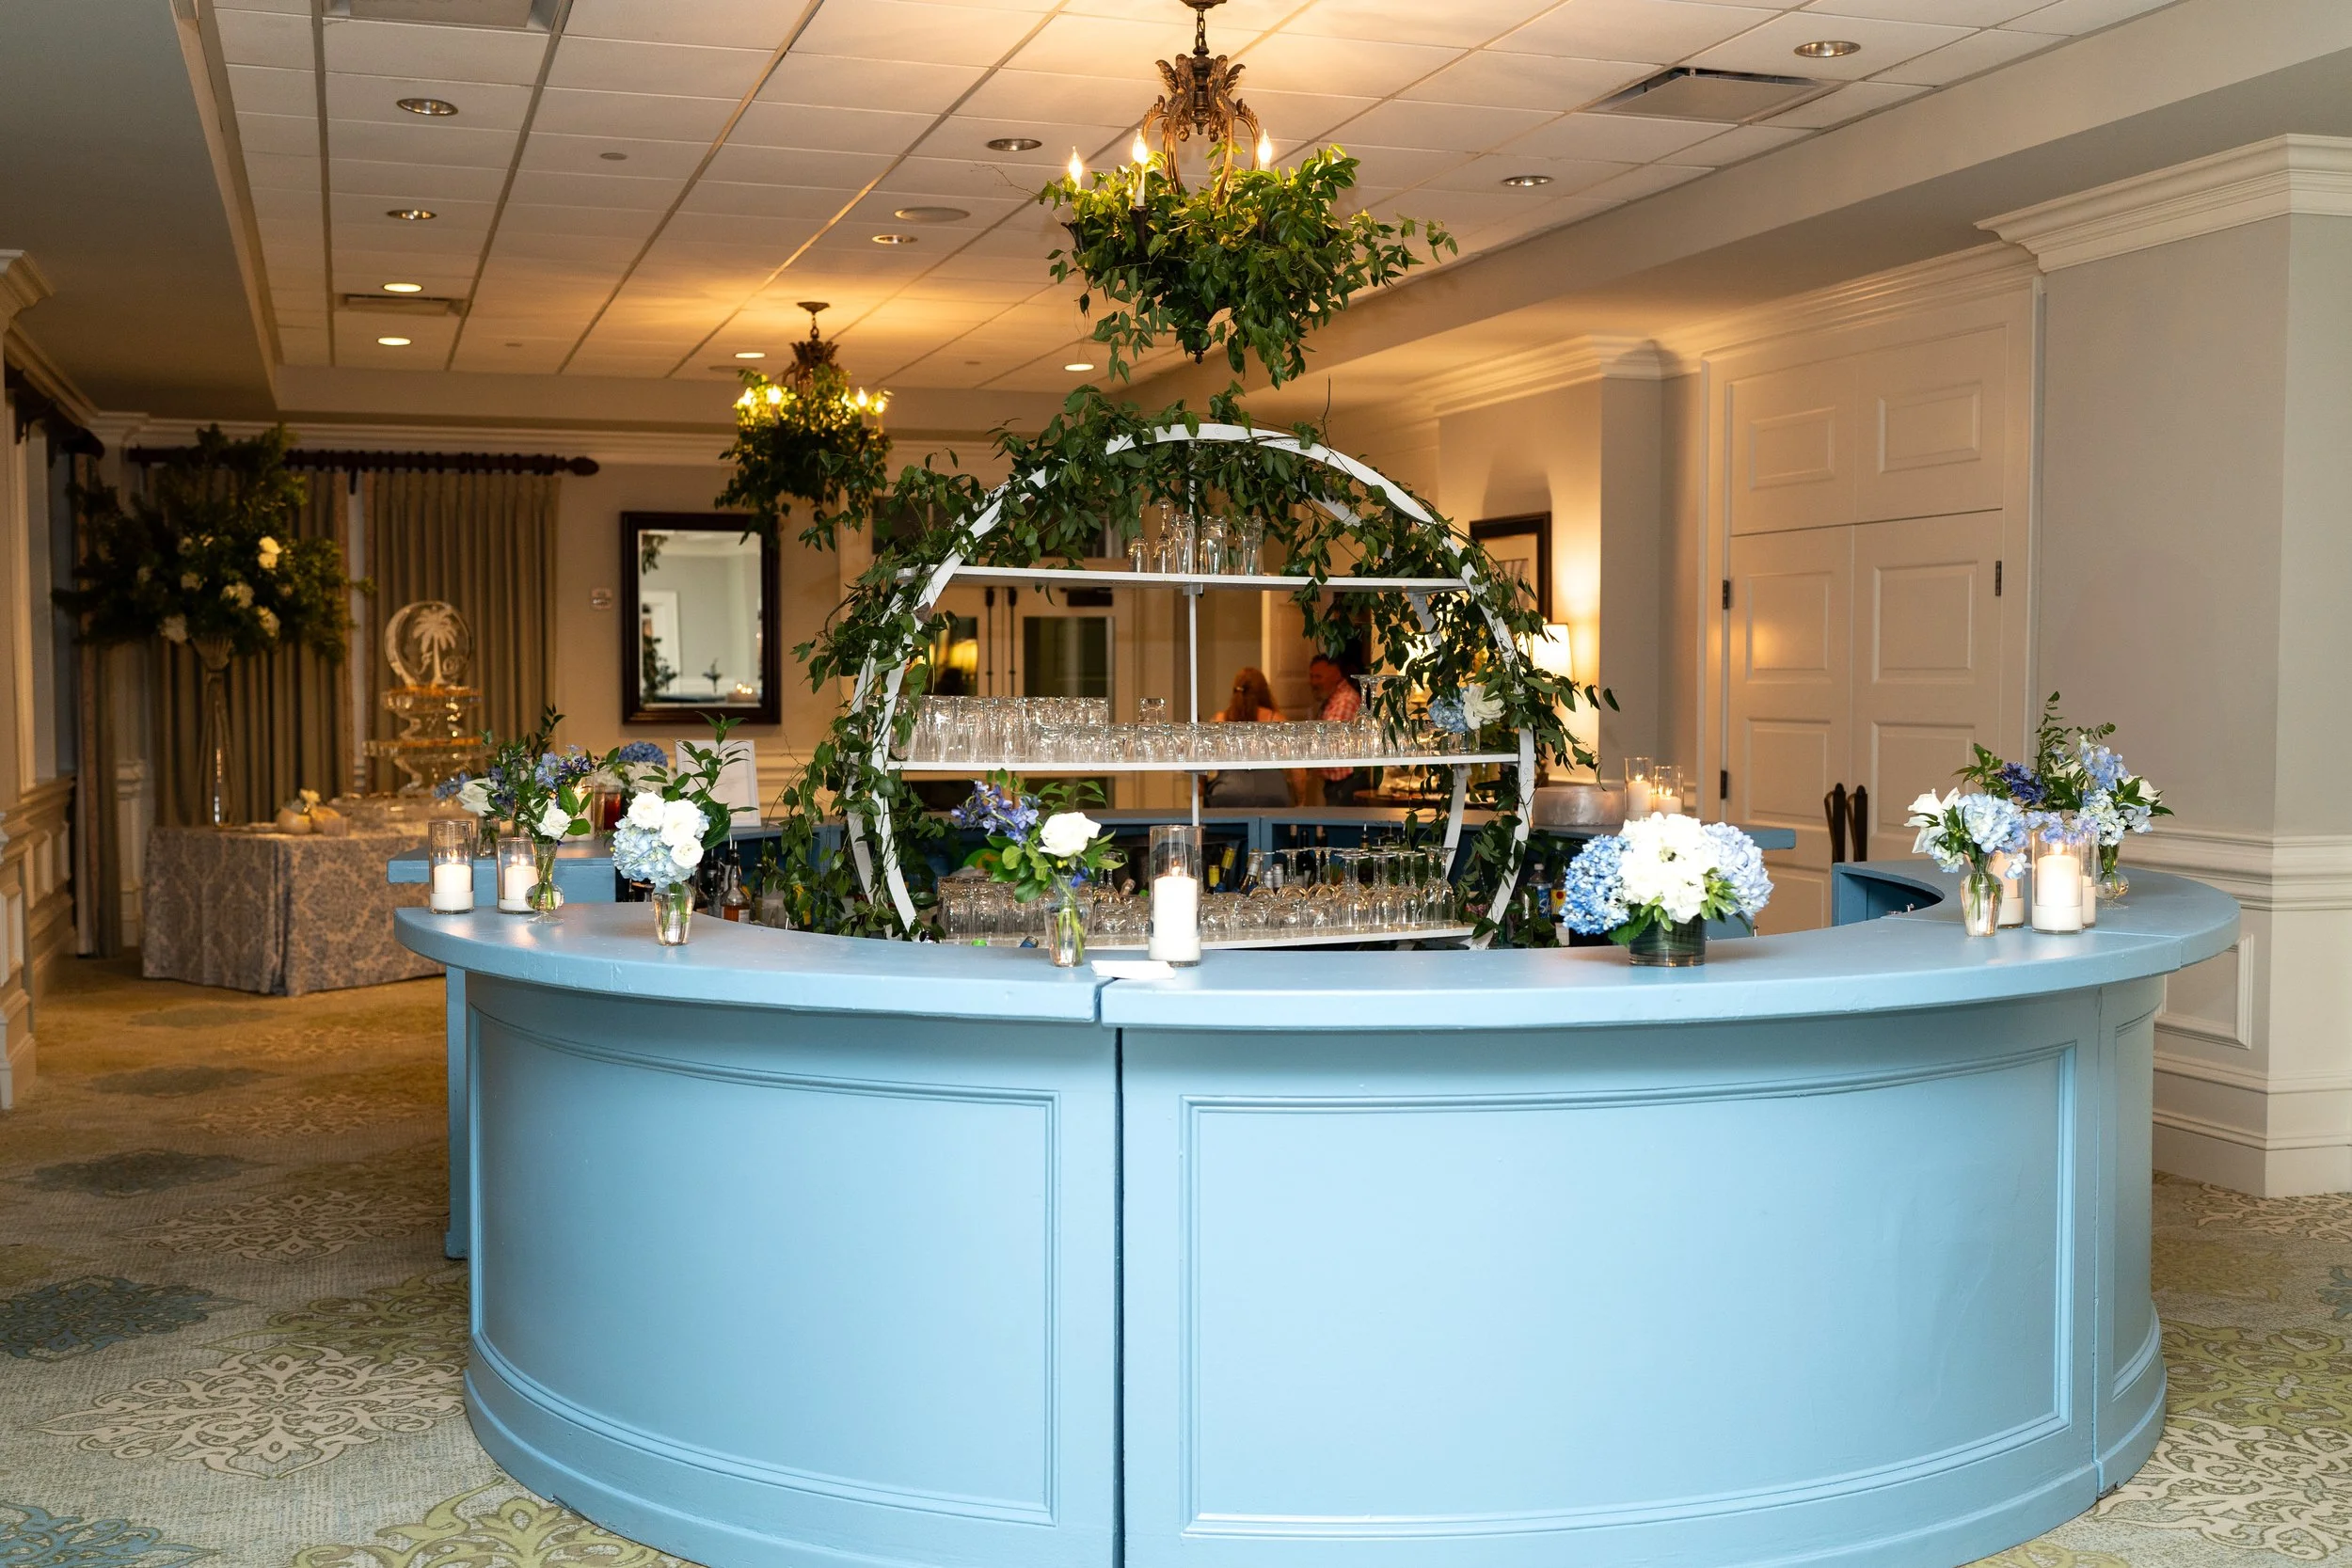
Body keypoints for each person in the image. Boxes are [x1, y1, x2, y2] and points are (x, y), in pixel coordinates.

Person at [1206, 666, 1293, 807]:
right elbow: (1297, 770)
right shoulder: (1277, 720)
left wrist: (1201, 788)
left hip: (1228, 791)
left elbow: (1205, 759)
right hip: (1272, 791)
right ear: (1264, 692)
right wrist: (1301, 800)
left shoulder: (1220, 720)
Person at [1306, 654, 1365, 806]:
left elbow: (1329, 743)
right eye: (1312, 676)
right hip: (1339, 784)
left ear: (1336, 674)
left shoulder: (1344, 701)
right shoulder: (1334, 699)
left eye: (1318, 677)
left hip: (1345, 784)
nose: (1313, 682)